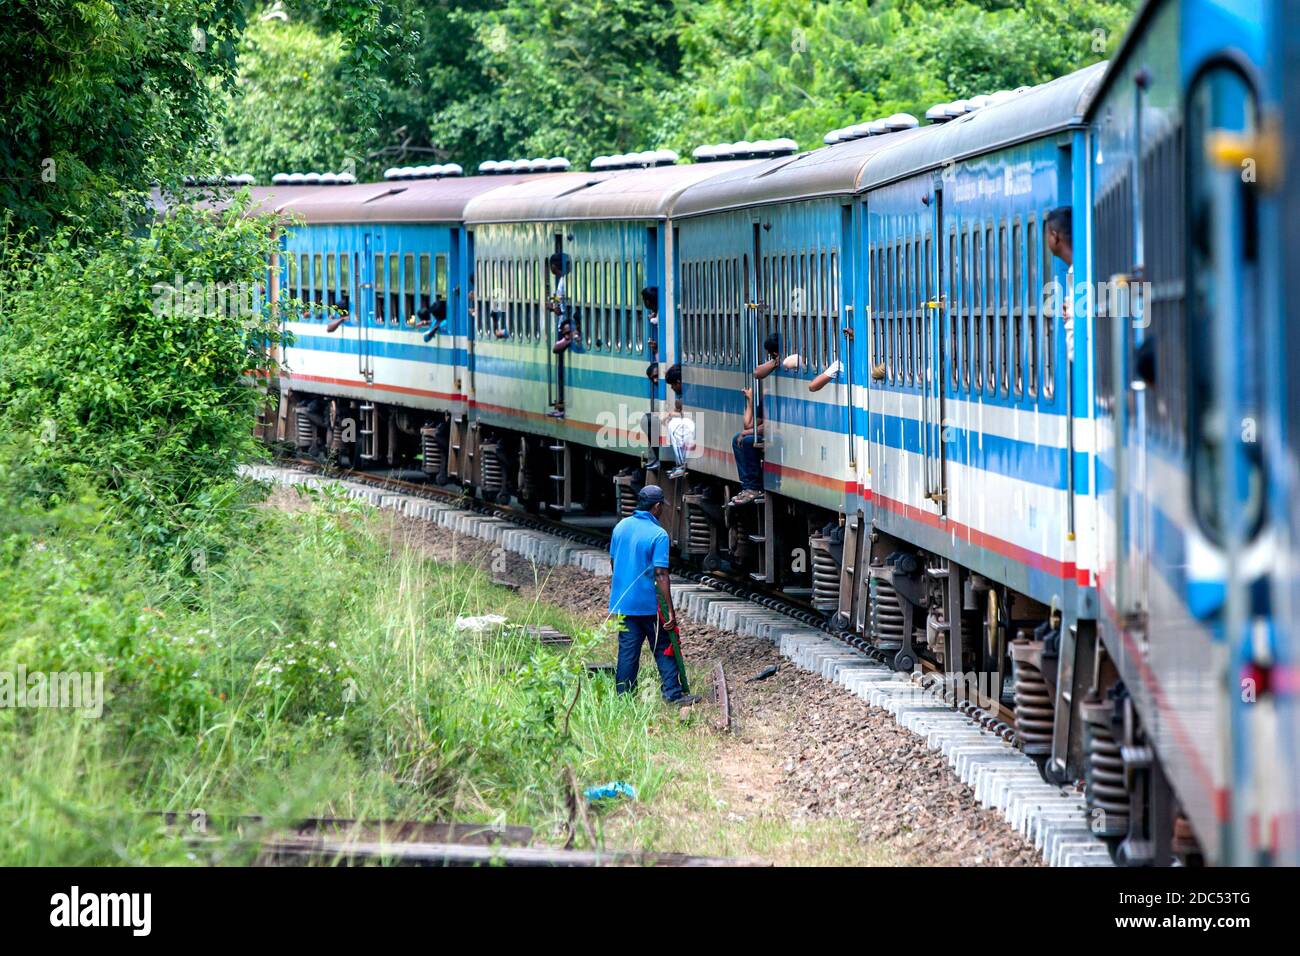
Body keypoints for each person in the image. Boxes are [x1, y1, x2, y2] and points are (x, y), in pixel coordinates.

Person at [608, 485, 700, 705]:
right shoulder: (659, 535)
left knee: (627, 653)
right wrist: (669, 610)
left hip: (624, 604)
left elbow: (614, 562)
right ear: (657, 506)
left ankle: (624, 699)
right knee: (662, 647)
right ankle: (672, 694)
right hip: (650, 605)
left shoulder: (620, 527)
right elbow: (661, 574)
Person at [1045, 205, 1074, 363]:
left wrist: (1070, 319)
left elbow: (1074, 351)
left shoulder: (1078, 275)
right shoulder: (1074, 272)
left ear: (1055, 237)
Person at [729, 385, 764, 505]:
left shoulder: (774, 397)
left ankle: (755, 487)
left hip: (779, 436)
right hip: (764, 434)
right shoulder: (765, 398)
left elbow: (772, 425)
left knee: (748, 441)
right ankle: (747, 487)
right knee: (737, 440)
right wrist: (750, 401)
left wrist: (747, 432)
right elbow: (748, 424)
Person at [663, 363, 694, 480]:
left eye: (673, 384)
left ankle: (681, 464)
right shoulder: (684, 394)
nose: (672, 388)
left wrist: (671, 414)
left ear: (679, 382)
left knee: (674, 426)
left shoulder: (691, 394)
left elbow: (688, 414)